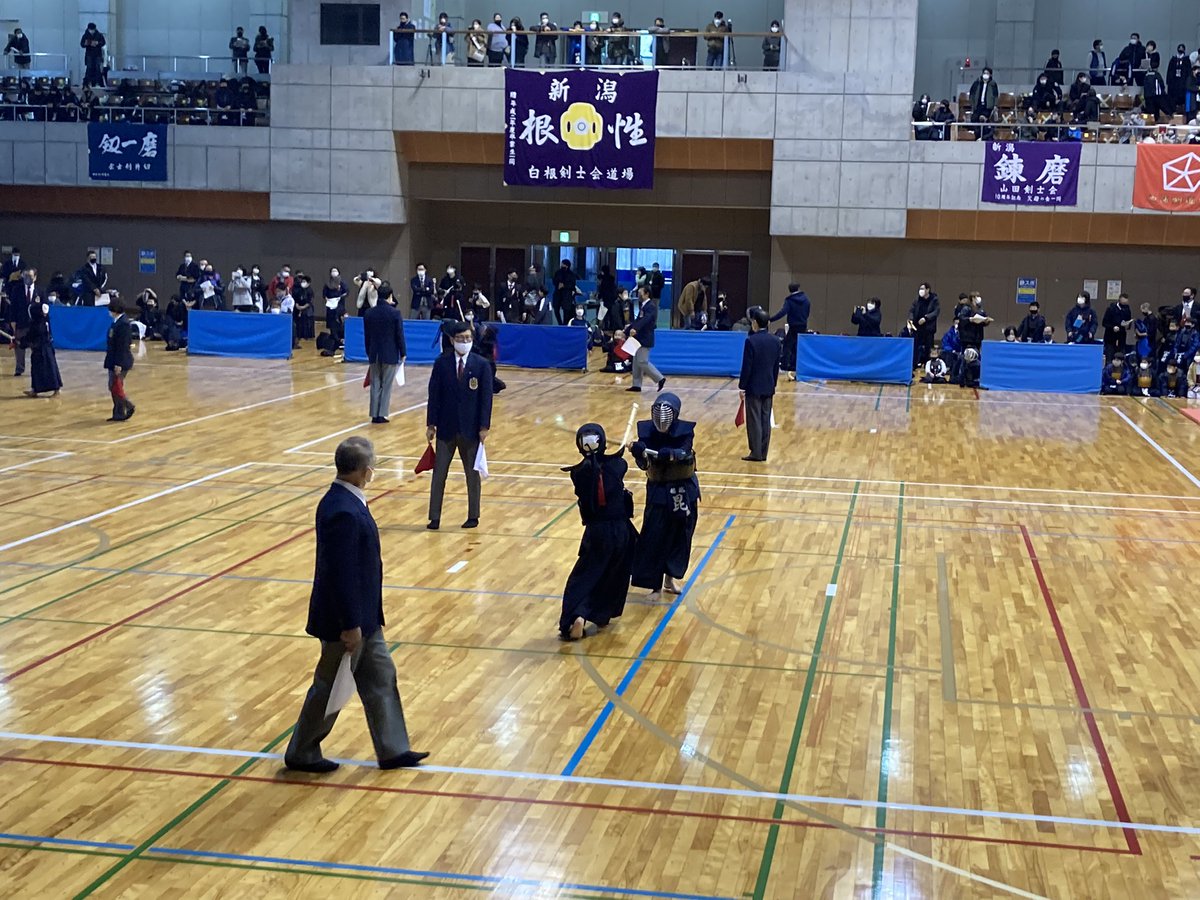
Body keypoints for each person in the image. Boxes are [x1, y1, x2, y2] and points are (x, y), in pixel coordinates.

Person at [284, 437, 428, 774]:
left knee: (381, 677)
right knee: (329, 688)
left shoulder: (346, 501)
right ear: (364, 470)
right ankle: (302, 751)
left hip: (365, 618)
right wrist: (350, 625)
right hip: (346, 622)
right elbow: (342, 573)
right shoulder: (342, 511)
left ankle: (393, 749)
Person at [559, 424, 638, 641]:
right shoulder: (618, 465)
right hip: (620, 531)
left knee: (585, 575)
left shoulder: (578, 473)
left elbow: (595, 467)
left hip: (597, 533)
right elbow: (618, 462)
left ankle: (578, 615)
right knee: (614, 573)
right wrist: (626, 447)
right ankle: (600, 614)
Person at [629, 393, 699, 600]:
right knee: (654, 535)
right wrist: (639, 453)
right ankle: (655, 586)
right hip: (658, 490)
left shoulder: (685, 432)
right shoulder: (646, 432)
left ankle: (670, 577)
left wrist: (672, 454)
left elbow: (685, 451)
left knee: (680, 536)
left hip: (683, 489)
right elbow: (644, 465)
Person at [426, 321, 493, 530]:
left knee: (472, 475)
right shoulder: (441, 363)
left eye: (468, 338)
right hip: (446, 428)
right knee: (439, 474)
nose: (464, 342)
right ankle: (434, 517)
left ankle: (473, 515)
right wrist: (431, 424)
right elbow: (434, 395)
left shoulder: (481, 365)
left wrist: (484, 426)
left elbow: (486, 399)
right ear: (452, 340)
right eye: (460, 338)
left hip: (471, 430)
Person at [738, 307, 781, 463]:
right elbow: (776, 366)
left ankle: (755, 452)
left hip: (754, 387)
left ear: (755, 323)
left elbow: (747, 367)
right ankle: (763, 452)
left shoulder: (751, 341)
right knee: (765, 419)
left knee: (754, 420)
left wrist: (742, 386)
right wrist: (773, 383)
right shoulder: (776, 341)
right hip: (769, 385)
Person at [364, 290, 407, 424]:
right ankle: (382, 413)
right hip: (390, 353)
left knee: (375, 384)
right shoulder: (395, 313)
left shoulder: (369, 313)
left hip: (374, 353)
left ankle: (374, 414)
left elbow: (367, 336)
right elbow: (399, 334)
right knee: (386, 385)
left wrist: (369, 351)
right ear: (390, 296)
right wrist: (403, 352)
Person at [625, 286, 665, 394]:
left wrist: (635, 329)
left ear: (646, 294)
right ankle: (636, 385)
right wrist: (627, 331)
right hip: (638, 337)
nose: (638, 295)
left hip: (645, 337)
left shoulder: (651, 306)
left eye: (640, 292)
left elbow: (645, 320)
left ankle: (659, 378)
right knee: (636, 362)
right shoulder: (644, 306)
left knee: (642, 361)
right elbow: (638, 320)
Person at [769, 282, 810, 379]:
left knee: (787, 346)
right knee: (798, 346)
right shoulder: (806, 299)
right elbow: (807, 312)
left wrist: (771, 319)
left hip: (793, 326)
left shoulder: (790, 300)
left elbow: (782, 312)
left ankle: (784, 366)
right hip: (803, 325)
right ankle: (796, 366)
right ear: (798, 288)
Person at [104, 299, 135, 421]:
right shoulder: (116, 322)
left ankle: (128, 406)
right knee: (113, 386)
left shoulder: (123, 324)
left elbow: (122, 345)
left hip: (120, 360)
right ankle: (119, 412)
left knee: (115, 386)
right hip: (113, 358)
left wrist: (119, 364)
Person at [25, 294, 60, 398]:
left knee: (49, 369)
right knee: (37, 370)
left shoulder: (38, 324)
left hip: (42, 350)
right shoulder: (42, 321)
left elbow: (32, 335)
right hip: (42, 349)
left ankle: (56, 389)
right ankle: (35, 389)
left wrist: (22, 341)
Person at [908, 283, 939, 367]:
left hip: (928, 328)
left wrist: (926, 318)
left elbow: (936, 312)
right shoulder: (917, 300)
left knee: (928, 348)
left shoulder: (934, 300)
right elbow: (911, 310)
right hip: (917, 327)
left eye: (922, 288)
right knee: (915, 347)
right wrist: (911, 319)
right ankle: (914, 364)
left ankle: (928, 365)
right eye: (920, 288)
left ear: (928, 290)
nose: (920, 290)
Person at [1102, 292, 1134, 361]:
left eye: (1126, 303)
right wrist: (1113, 327)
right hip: (1110, 337)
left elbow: (1128, 322)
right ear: (1119, 300)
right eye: (1123, 302)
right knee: (1110, 357)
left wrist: (1127, 325)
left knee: (1121, 357)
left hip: (1121, 337)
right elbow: (1104, 323)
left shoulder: (1127, 309)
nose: (1124, 304)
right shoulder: (1111, 309)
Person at [322, 268, 347, 350]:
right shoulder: (327, 284)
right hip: (330, 305)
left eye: (335, 271)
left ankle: (341, 339)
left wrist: (339, 297)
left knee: (339, 322)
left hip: (339, 305)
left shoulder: (342, 283)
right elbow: (324, 294)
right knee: (331, 323)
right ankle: (334, 338)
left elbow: (346, 292)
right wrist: (328, 300)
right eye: (332, 271)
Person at [552, 259, 578, 326]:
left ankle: (564, 324)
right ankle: (560, 323)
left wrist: (564, 285)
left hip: (566, 295)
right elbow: (554, 280)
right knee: (556, 309)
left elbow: (572, 285)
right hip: (558, 294)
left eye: (563, 264)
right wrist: (558, 284)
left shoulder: (571, 274)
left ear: (566, 265)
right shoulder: (558, 272)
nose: (561, 265)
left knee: (566, 311)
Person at [81, 23, 106, 88]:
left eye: (92, 30)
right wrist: (86, 44)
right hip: (89, 54)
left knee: (98, 68)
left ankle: (99, 83)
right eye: (90, 30)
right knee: (89, 68)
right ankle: (87, 83)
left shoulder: (99, 35)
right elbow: (82, 44)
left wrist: (97, 43)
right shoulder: (85, 35)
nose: (91, 31)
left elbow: (103, 42)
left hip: (97, 54)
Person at [292, 273, 315, 340]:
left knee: (307, 322)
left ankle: (307, 336)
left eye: (304, 282)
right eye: (302, 281)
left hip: (307, 308)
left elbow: (310, 301)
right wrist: (297, 305)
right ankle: (299, 335)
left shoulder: (310, 291)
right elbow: (296, 298)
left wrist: (303, 307)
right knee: (299, 322)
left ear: (308, 283)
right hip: (298, 307)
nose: (303, 283)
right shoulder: (299, 290)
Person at [1169, 45, 1190, 113]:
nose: (1180, 49)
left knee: (1182, 96)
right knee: (1173, 96)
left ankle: (1182, 110)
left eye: (1182, 48)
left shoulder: (1186, 59)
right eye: (1179, 48)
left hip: (1183, 81)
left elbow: (1188, 71)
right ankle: (1173, 109)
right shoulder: (1173, 59)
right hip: (1174, 81)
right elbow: (1170, 71)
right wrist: (1169, 81)